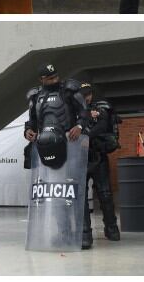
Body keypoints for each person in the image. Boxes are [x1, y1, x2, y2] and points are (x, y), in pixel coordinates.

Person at [23, 64, 92, 248]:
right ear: (42, 79)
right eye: (50, 78)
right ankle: (64, 232)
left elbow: (84, 113)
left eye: (56, 76)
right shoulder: (36, 97)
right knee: (56, 193)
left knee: (75, 191)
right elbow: (32, 121)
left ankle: (84, 234)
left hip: (71, 147)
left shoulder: (69, 90)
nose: (55, 80)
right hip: (47, 149)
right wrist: (28, 131)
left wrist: (79, 126)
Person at [77, 82, 121, 246]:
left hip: (98, 156)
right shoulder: (73, 110)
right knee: (80, 196)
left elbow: (103, 126)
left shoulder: (101, 107)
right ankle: (85, 233)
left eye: (88, 94)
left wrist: (86, 134)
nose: (86, 97)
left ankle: (111, 228)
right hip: (80, 159)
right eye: (83, 94)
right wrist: (89, 117)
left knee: (105, 194)